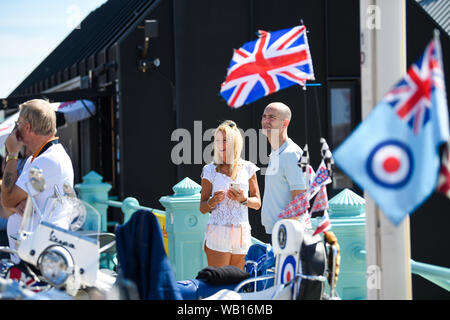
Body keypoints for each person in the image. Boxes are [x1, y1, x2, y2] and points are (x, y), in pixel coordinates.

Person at [1, 99, 74, 263]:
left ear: (27, 127)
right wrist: (14, 202)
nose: (16, 128)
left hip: (40, 257)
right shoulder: (39, 158)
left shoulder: (47, 161)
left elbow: (7, 199)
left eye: (18, 123)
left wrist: (12, 154)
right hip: (34, 253)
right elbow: (8, 205)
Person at [200, 120, 261, 269]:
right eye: (218, 140)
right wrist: (213, 201)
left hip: (241, 235)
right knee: (219, 284)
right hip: (218, 233)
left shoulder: (248, 168)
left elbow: (257, 203)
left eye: (225, 140)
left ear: (235, 143)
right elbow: (202, 207)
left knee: (238, 285)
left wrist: (243, 199)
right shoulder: (209, 170)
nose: (220, 144)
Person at [260, 102, 307, 241]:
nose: (266, 121)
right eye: (264, 116)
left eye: (272, 117)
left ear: (285, 123)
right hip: (276, 233)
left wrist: (283, 232)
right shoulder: (276, 153)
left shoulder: (292, 154)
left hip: (286, 235)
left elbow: (300, 200)